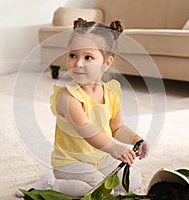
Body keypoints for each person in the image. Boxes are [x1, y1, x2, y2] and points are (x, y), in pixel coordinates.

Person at [16, 18, 149, 197]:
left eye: (88, 57)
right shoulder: (68, 97)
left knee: (133, 181)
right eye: (73, 55)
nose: (78, 63)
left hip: (100, 157)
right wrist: (114, 148)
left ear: (106, 62)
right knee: (95, 191)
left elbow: (117, 128)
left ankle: (94, 178)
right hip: (71, 162)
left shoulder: (111, 93)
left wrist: (136, 140)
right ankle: (51, 184)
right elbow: (88, 132)